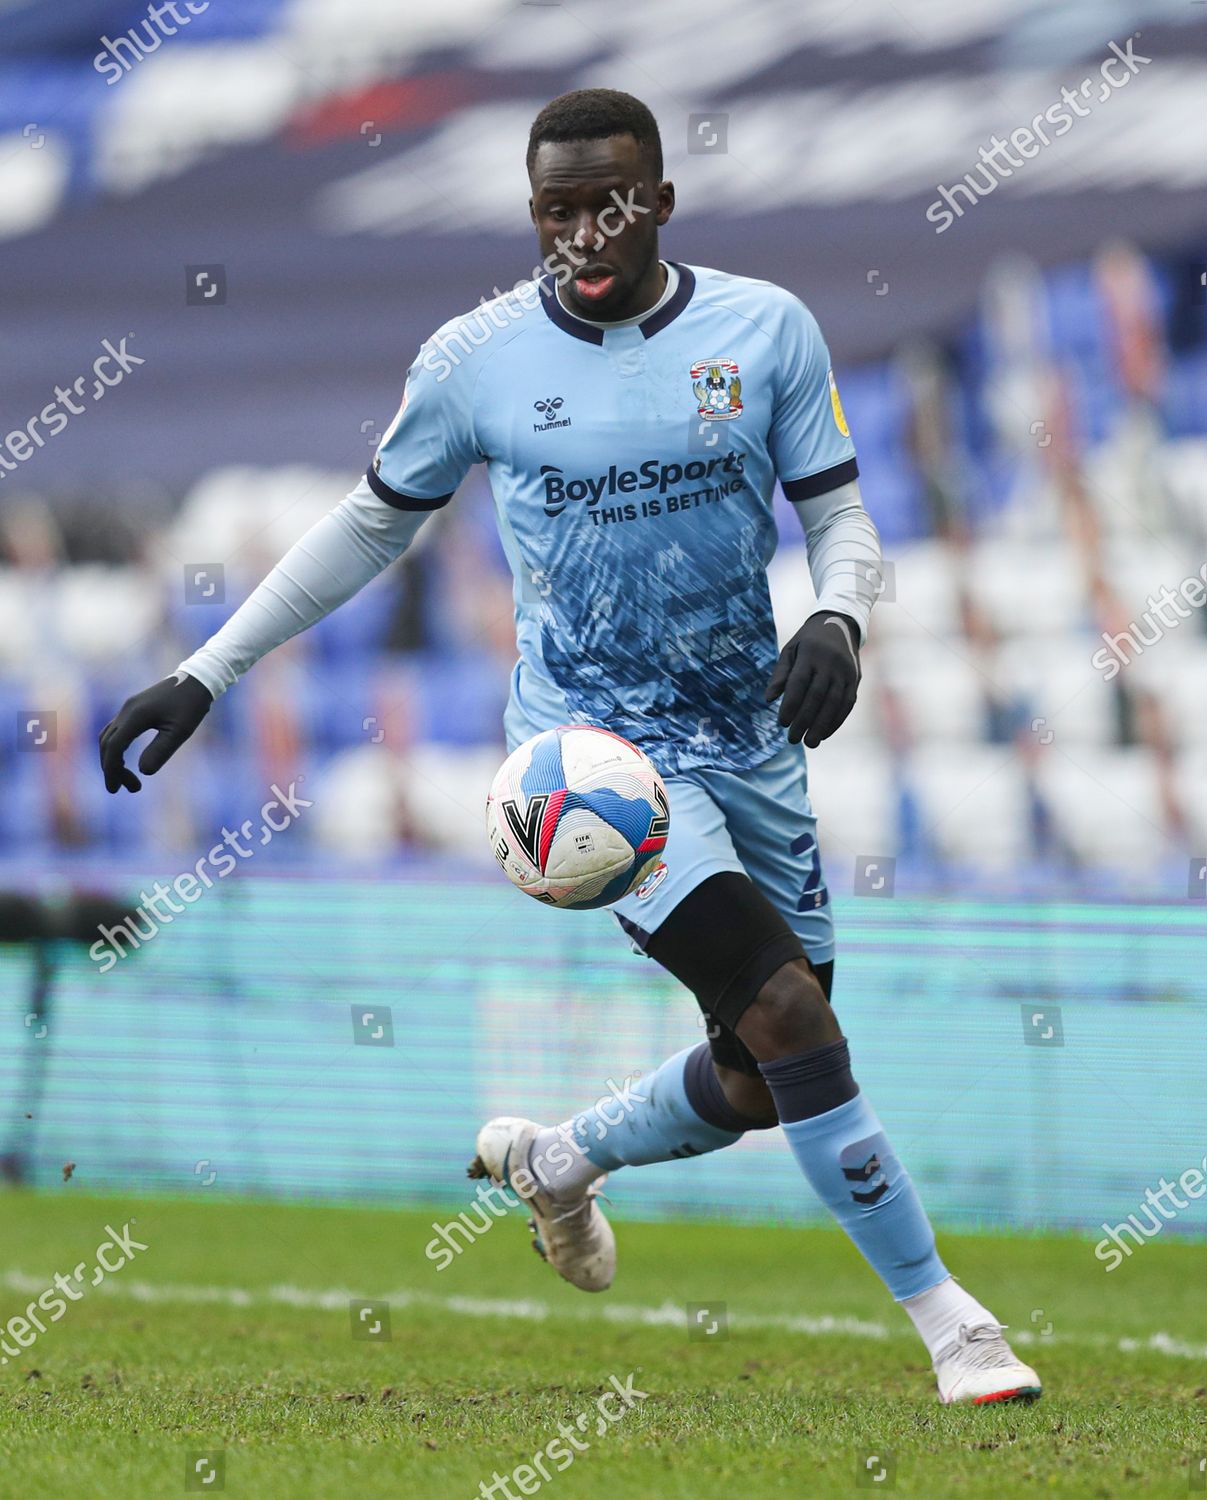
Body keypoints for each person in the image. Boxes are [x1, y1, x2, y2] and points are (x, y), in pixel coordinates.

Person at [100, 88, 1040, 1405]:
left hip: (749, 737)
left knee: (765, 1074)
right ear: (532, 214)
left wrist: (837, 616)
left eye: (608, 202)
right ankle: (956, 1330)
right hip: (593, 768)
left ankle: (559, 1159)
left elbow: (841, 515)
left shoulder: (763, 330)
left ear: (659, 199)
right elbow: (370, 527)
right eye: (554, 209)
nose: (582, 232)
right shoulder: (476, 361)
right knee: (787, 1009)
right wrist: (208, 670)